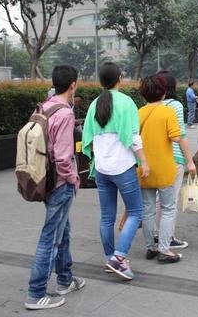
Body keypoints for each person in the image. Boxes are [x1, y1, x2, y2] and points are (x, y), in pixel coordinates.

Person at [25, 65, 86, 310]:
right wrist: (74, 179)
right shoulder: (65, 113)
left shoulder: (44, 107)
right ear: (73, 85)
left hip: (44, 178)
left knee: (63, 230)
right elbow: (62, 158)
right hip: (60, 182)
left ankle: (65, 279)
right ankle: (36, 293)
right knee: (50, 237)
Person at [82, 62, 147, 280]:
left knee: (106, 217)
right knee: (136, 212)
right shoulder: (126, 102)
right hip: (123, 167)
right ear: (119, 78)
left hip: (101, 169)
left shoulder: (95, 104)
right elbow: (134, 137)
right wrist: (144, 162)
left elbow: (88, 139)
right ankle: (118, 258)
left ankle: (110, 257)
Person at [138, 75, 183, 263]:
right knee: (168, 209)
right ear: (164, 93)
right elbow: (176, 137)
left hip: (144, 169)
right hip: (165, 169)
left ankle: (150, 247)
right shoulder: (167, 112)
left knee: (148, 209)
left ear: (143, 94)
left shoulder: (139, 112)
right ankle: (165, 249)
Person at [156, 70, 197, 248]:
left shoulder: (151, 105)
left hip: (155, 158)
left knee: (157, 200)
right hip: (173, 158)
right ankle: (168, 238)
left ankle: (157, 234)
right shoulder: (175, 105)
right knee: (170, 202)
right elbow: (180, 135)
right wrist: (190, 161)